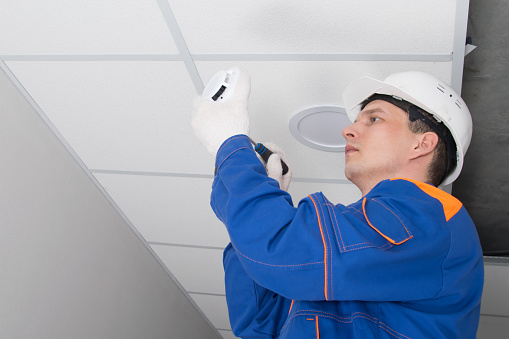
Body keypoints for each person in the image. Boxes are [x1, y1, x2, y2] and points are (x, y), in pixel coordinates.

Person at [191, 70, 484, 338]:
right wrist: (257, 201)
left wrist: (231, 146)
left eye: (373, 119)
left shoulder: (433, 217)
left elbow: (280, 254)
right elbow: (258, 322)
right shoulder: (355, 260)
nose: (348, 130)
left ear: (422, 144)